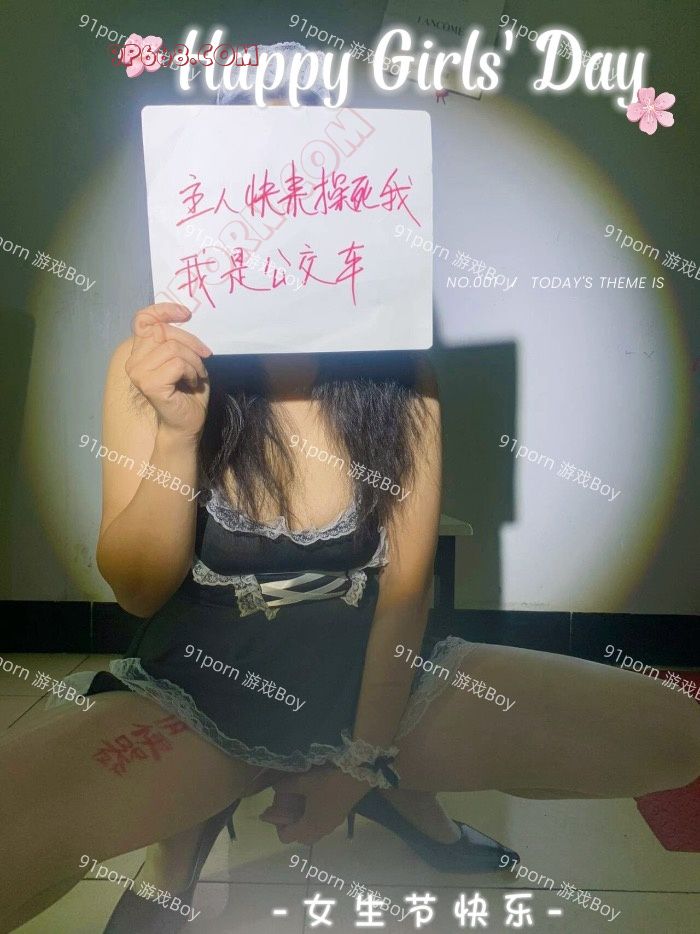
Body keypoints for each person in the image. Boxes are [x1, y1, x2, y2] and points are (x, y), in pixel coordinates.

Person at [1, 42, 698, 934]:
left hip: (372, 673)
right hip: (203, 690)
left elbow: (405, 591)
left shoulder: (404, 379)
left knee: (670, 731)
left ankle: (394, 793)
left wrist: (357, 762)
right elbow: (136, 589)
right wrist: (175, 437)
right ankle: (184, 835)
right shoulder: (153, 365)